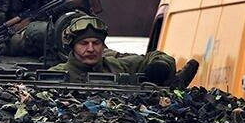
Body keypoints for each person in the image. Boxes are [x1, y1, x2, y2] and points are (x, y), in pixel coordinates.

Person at [48, 15, 180, 84]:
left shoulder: (117, 66)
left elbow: (156, 56)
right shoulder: (55, 74)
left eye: (96, 43)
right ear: (73, 46)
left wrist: (160, 65)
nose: (91, 49)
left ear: (103, 45)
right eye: (84, 43)